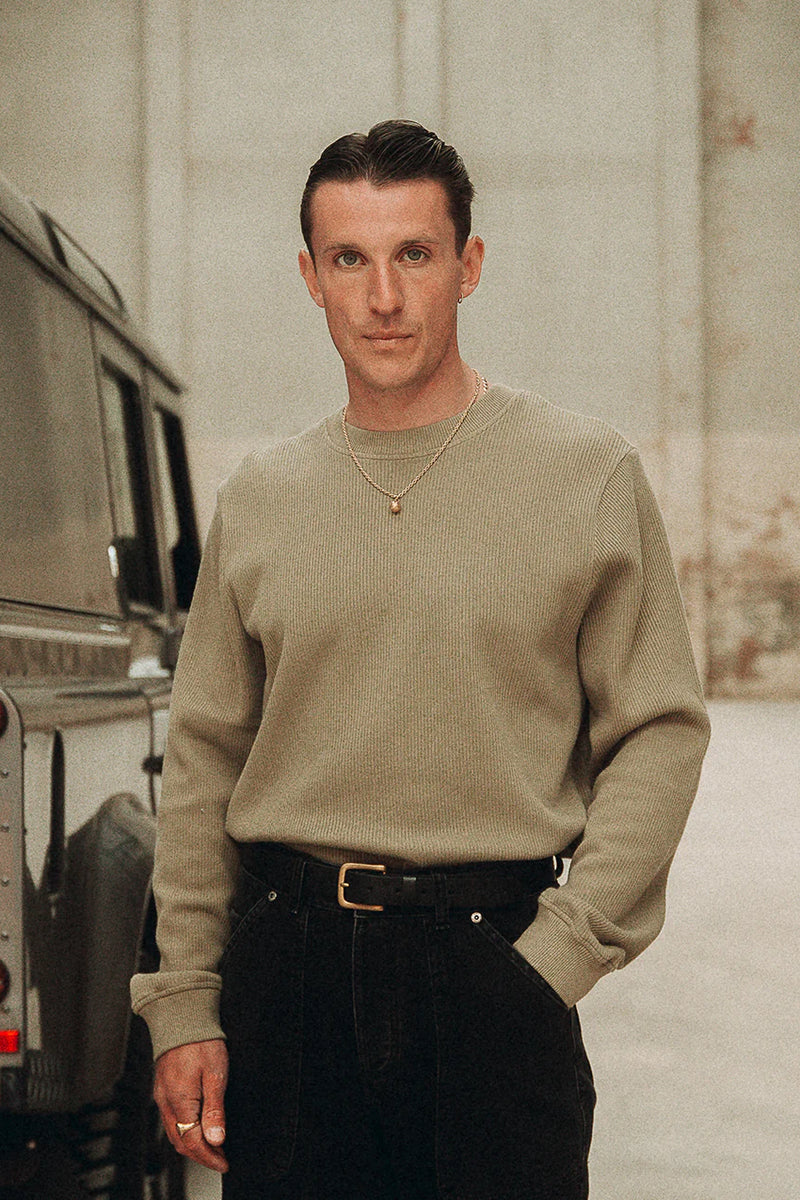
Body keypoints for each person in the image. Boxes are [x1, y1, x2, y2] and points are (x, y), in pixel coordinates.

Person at [131, 120, 711, 1199]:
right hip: (288, 976)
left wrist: (559, 954)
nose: (383, 297)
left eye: (414, 254)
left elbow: (658, 730)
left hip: (496, 967)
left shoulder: (583, 475)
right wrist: (184, 1000)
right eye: (349, 259)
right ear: (310, 278)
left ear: (468, 264)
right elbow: (206, 756)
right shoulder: (261, 499)